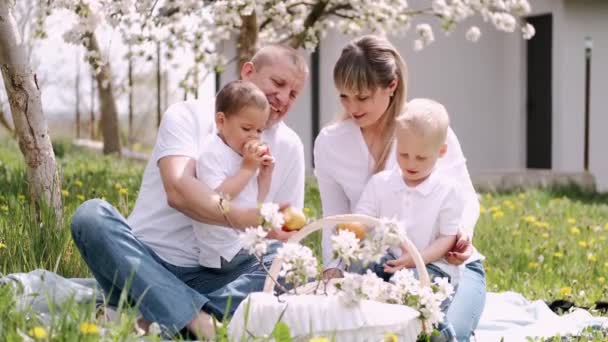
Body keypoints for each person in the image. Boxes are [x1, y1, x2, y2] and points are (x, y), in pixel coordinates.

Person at [70, 44, 308, 339]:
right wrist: (251, 218)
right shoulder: (187, 115)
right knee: (90, 217)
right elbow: (180, 191)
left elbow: (282, 229)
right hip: (149, 263)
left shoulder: (289, 147)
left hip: (225, 273)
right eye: (278, 83)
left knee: (295, 261)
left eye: (294, 93)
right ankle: (198, 319)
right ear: (248, 72)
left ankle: (154, 315)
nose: (283, 98)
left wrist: (276, 226)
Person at [313, 35, 486, 341]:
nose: (352, 107)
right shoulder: (330, 143)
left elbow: (466, 197)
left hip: (445, 268)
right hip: (381, 267)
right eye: (344, 96)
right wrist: (334, 270)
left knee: (440, 333)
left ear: (391, 86)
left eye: (363, 97)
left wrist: (461, 236)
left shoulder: (425, 131)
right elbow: (336, 221)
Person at [355, 98, 465, 340]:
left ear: (441, 152)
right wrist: (354, 233)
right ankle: (360, 321)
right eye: (403, 154)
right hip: (389, 261)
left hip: (431, 265)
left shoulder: (447, 190)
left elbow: (447, 237)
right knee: (358, 269)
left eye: (421, 157)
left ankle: (440, 332)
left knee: (417, 292)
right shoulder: (381, 183)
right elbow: (362, 219)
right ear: (396, 145)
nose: (410, 163)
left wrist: (414, 261)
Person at [192, 80, 275, 269]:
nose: (254, 136)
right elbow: (217, 199)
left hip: (246, 242)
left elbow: (257, 201)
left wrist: (264, 175)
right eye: (247, 128)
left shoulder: (244, 156)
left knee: (285, 256)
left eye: (259, 130)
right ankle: (222, 296)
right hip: (223, 250)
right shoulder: (212, 152)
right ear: (221, 121)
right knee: (279, 258)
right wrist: (247, 169)